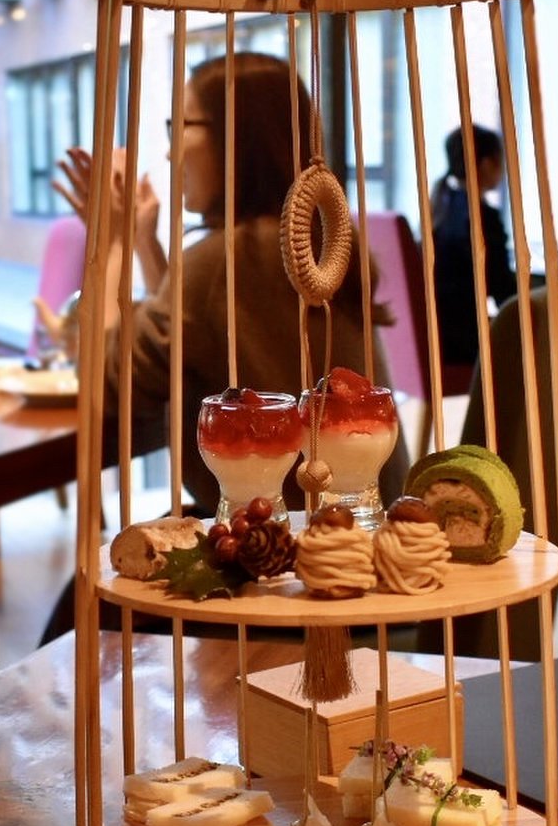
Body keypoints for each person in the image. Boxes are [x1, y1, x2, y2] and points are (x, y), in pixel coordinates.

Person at [55, 51, 404, 515]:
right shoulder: (318, 242)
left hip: (283, 536)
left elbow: (108, 386)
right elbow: (190, 342)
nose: (169, 150)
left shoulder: (224, 261)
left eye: (182, 126)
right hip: (373, 519)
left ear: (237, 138)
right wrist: (143, 241)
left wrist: (111, 243)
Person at [430, 124, 518, 371]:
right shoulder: (482, 217)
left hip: (437, 335)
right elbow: (503, 292)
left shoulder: (440, 208)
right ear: (488, 164)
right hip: (463, 341)